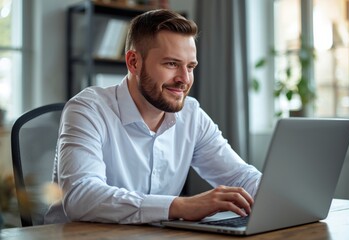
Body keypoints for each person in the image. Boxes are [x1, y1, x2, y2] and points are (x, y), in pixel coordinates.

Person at [44, 9, 262, 224]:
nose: (184, 79)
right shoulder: (88, 109)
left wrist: (286, 196)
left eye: (191, 66)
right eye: (171, 64)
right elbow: (81, 197)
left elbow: (240, 177)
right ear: (133, 62)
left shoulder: (191, 114)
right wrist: (181, 206)